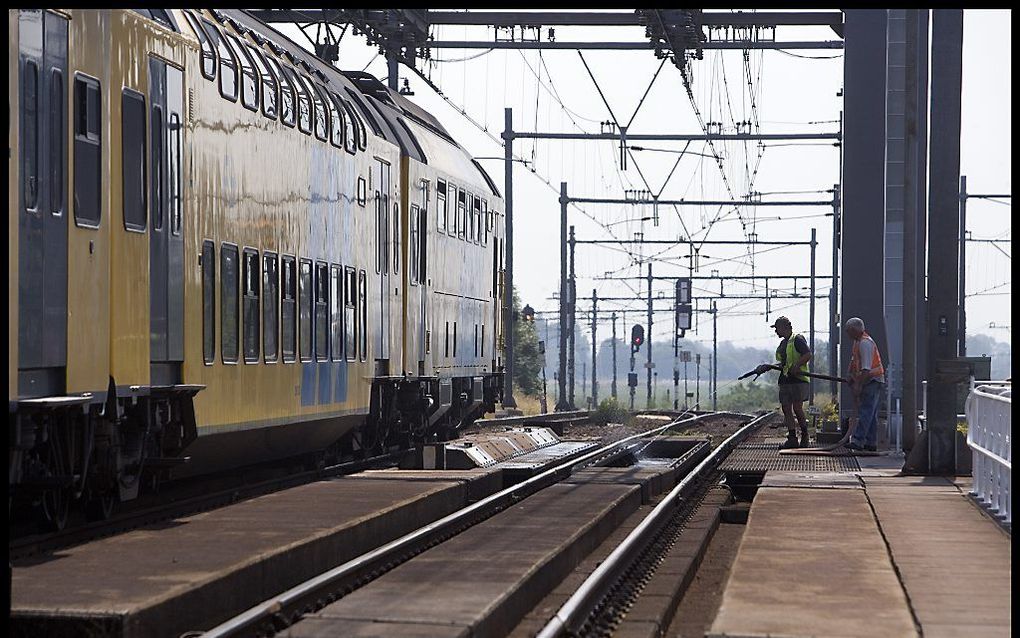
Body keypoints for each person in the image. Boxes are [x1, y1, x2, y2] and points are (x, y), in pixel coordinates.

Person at [844, 317, 885, 452]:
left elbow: (866, 369)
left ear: (855, 330)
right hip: (870, 380)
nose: (847, 334)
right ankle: (870, 442)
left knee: (866, 411)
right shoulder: (858, 342)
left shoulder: (865, 343)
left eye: (849, 331)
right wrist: (850, 374)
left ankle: (858, 440)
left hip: (872, 380)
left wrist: (858, 385)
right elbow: (854, 360)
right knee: (871, 413)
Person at [771, 316, 812, 449]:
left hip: (798, 380)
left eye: (777, 328)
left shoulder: (797, 339)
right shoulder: (783, 344)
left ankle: (805, 436)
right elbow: (783, 363)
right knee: (786, 408)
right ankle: (792, 438)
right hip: (785, 380)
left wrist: (797, 366)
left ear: (785, 327)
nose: (776, 331)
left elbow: (807, 354)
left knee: (797, 408)